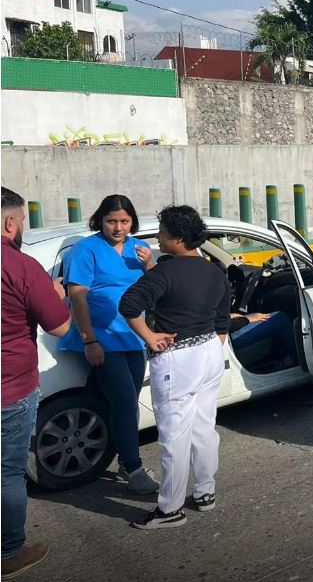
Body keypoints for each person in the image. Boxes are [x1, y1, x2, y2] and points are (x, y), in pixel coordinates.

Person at [119, 206, 230, 530]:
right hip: (209, 352)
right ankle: (205, 493)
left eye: (162, 231)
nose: (157, 236)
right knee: (204, 428)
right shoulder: (214, 270)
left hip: (177, 358)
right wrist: (211, 343)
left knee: (173, 437)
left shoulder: (163, 273)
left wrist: (151, 337)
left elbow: (128, 305)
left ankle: (170, 510)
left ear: (178, 239)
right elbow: (223, 315)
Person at [59, 195, 160, 495]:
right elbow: (77, 295)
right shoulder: (85, 250)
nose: (118, 227)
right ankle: (132, 465)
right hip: (103, 337)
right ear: (99, 220)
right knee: (124, 402)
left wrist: (150, 265)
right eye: (112, 221)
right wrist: (90, 340)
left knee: (127, 402)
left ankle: (126, 460)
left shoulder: (137, 249)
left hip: (133, 336)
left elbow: (156, 289)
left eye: (125, 221)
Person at [1, 187, 71, 578]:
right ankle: (9, 551)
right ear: (11, 223)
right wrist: (58, 294)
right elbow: (59, 326)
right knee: (7, 472)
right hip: (10, 387)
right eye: (24, 220)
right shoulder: (22, 266)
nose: (23, 226)